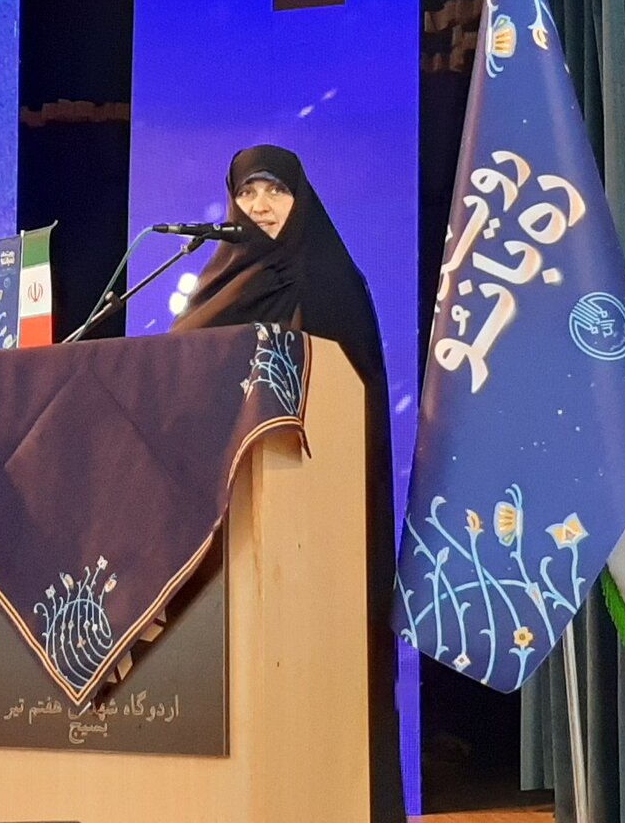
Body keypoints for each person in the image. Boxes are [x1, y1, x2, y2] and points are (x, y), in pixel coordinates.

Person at [171, 144, 405, 823]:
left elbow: (352, 398)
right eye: (248, 193)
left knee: (310, 668)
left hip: (314, 512)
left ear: (300, 196)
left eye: (275, 190)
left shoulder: (331, 279)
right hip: (228, 513)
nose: (261, 206)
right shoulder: (220, 276)